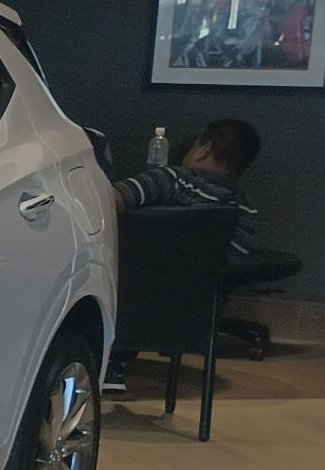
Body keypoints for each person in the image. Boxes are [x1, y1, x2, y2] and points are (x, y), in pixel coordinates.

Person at [104, 119, 265, 393]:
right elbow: (232, 262)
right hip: (193, 313)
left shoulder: (172, 179)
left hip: (131, 304)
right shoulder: (245, 210)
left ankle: (112, 365)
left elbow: (110, 201)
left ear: (203, 150)